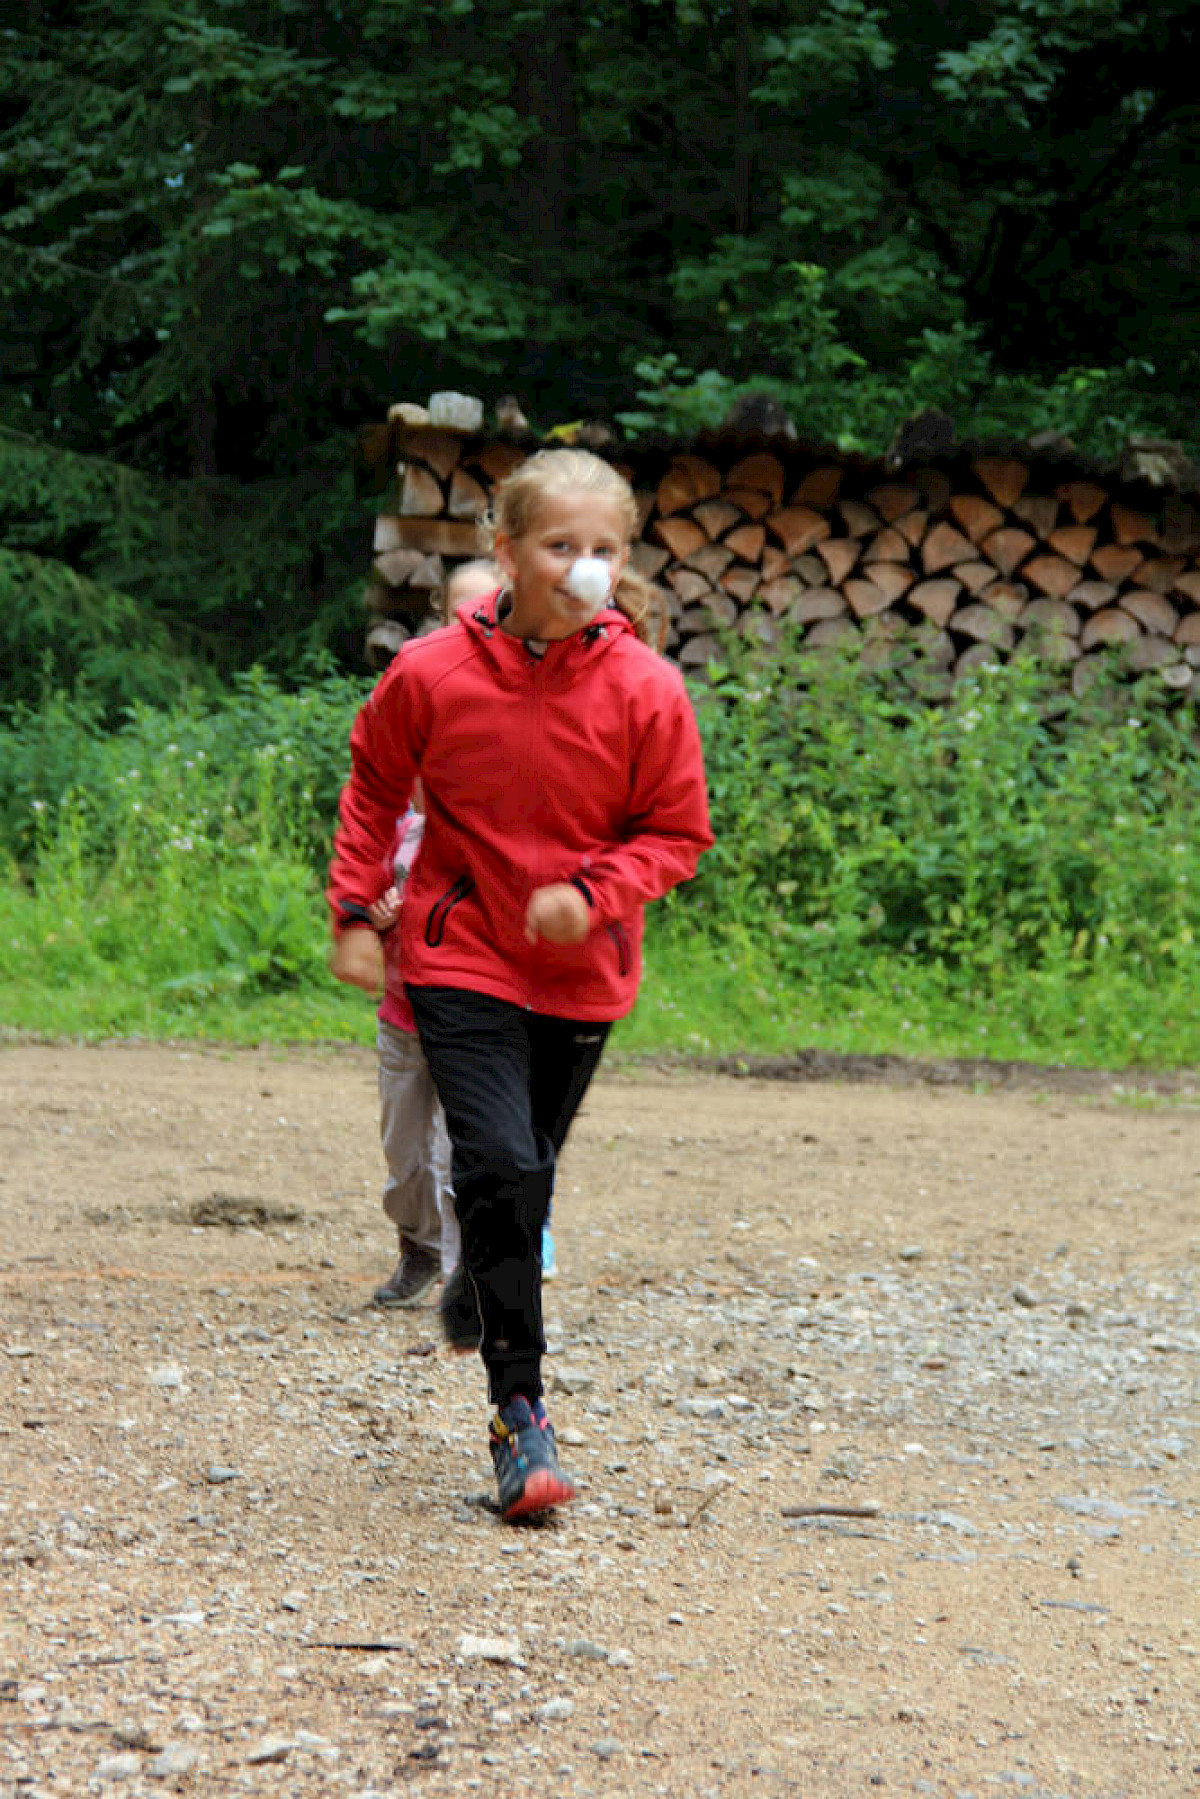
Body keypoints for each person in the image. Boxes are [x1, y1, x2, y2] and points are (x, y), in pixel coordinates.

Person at [327, 449, 712, 1521]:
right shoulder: (430, 673)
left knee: (522, 1176)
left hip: (585, 971)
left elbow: (678, 831)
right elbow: (374, 785)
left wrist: (595, 894)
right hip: (460, 953)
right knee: (497, 1159)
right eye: (560, 544)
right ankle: (520, 1415)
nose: (585, 566)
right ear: (505, 552)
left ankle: (478, 1280)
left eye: (605, 548)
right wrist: (355, 911)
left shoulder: (647, 688)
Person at [367, 560, 502, 1308]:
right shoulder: (398, 810)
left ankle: (464, 1277)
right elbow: (363, 871)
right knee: (405, 1158)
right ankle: (416, 1243)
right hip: (401, 1007)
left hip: (473, 1008)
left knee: (459, 1155)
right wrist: (373, 909)